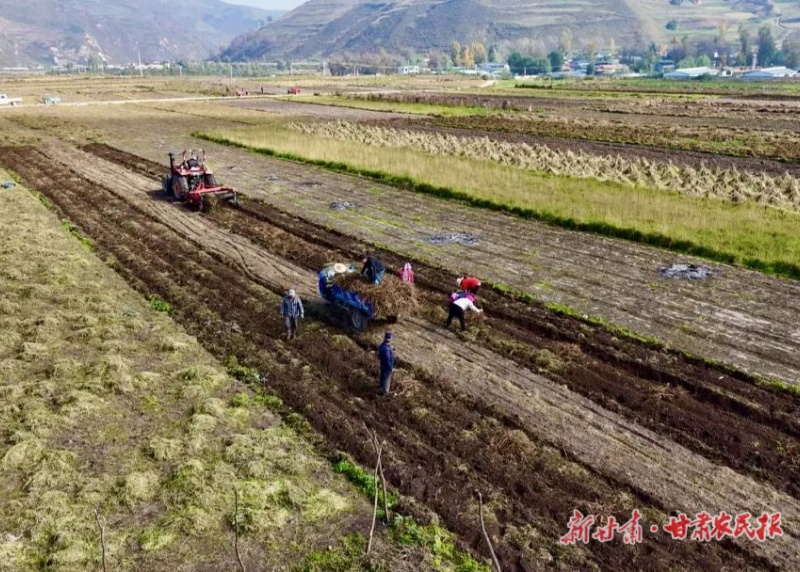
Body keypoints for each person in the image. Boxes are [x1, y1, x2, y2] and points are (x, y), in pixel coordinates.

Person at [378, 331, 395, 395]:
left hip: (383, 365)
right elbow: (388, 360)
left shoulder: (382, 346)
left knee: (382, 377)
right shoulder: (386, 350)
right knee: (386, 379)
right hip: (387, 367)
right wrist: (391, 368)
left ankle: (381, 386)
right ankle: (385, 392)